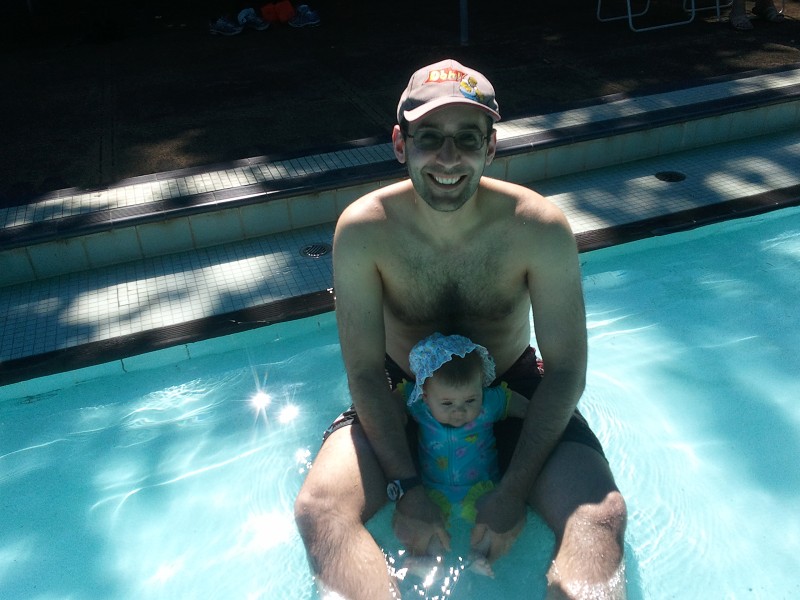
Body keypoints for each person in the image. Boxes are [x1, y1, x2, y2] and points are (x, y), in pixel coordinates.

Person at [294, 58, 627, 599]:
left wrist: (514, 490)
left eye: (467, 138)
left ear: (490, 146)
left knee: (600, 516)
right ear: (400, 144)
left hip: (510, 388)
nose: (448, 158)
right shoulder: (363, 230)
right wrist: (406, 488)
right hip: (401, 393)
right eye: (430, 137)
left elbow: (566, 370)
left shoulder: (538, 228)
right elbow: (364, 371)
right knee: (320, 511)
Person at [394, 333, 530, 576]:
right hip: (432, 491)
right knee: (427, 531)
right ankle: (429, 561)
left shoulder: (490, 403)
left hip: (481, 488)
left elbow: (531, 411)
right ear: (425, 396)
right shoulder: (418, 405)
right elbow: (386, 406)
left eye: (470, 400)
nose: (459, 411)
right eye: (447, 404)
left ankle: (480, 557)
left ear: (481, 390)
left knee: (494, 525)